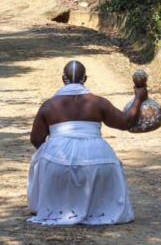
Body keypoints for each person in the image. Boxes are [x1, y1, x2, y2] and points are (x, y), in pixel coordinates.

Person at [27, 60, 147, 225]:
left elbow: (36, 139)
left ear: (63, 79)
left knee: (41, 158)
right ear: (85, 79)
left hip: (57, 163)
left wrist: (53, 156)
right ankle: (96, 206)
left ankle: (58, 202)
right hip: (98, 160)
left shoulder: (49, 105)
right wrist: (138, 98)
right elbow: (126, 122)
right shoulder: (98, 102)